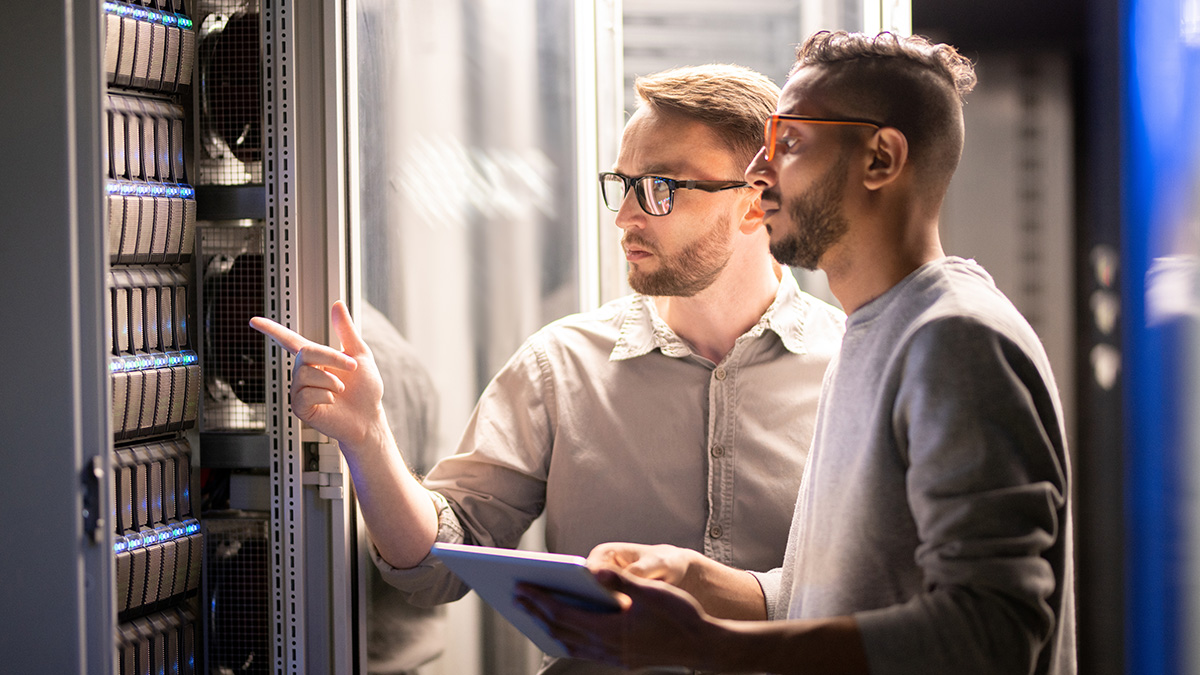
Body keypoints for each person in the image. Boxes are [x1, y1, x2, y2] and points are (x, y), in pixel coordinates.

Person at [249, 63, 846, 674]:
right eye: (623, 184)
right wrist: (368, 436)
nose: (625, 216)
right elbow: (432, 564)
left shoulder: (853, 371)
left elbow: (886, 593)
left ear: (756, 202)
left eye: (659, 187)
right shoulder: (559, 364)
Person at [517, 31, 1077, 675]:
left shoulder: (955, 341)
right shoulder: (874, 333)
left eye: (788, 144)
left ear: (880, 159)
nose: (758, 173)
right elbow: (849, 595)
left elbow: (992, 631)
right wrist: (701, 580)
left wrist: (706, 645)